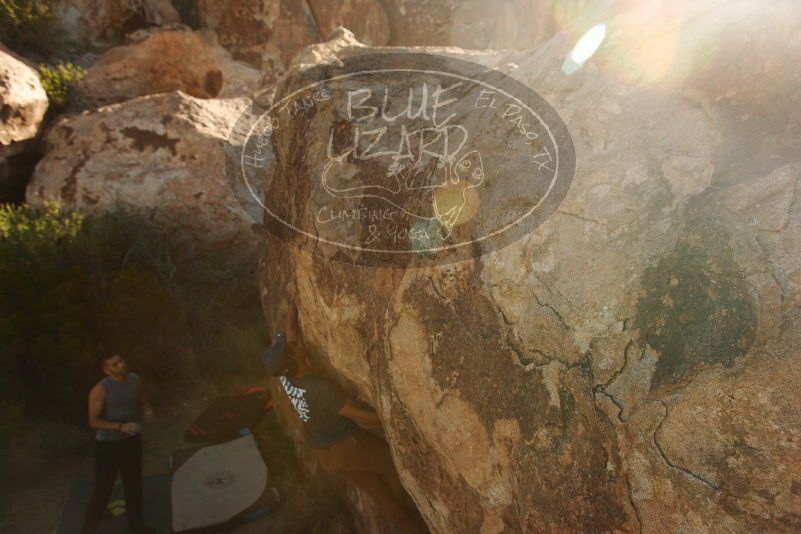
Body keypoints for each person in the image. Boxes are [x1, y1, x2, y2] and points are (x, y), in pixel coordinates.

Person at [262, 299, 428, 534]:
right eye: (291, 347)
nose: (294, 344)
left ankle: (413, 529)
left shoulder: (285, 376)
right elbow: (358, 415)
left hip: (326, 455)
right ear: (295, 356)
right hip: (347, 448)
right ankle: (416, 519)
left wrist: (294, 306)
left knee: (378, 493)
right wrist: (394, 421)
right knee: (391, 467)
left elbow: (291, 332)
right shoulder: (319, 388)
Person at [81, 354, 155, 534]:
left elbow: (143, 400)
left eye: (121, 360)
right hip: (108, 446)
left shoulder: (135, 380)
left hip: (131, 441)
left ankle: (135, 526)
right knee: (103, 490)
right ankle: (87, 530)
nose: (121, 365)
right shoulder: (100, 390)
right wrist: (120, 426)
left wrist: (148, 410)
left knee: (134, 484)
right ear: (107, 370)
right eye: (115, 364)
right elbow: (93, 421)